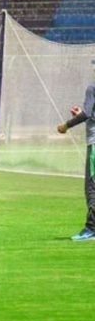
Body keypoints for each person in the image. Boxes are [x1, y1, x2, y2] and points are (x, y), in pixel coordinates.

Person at [57, 60, 95, 241]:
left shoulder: (92, 88)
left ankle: (91, 228)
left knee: (91, 187)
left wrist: (66, 125)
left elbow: (87, 114)